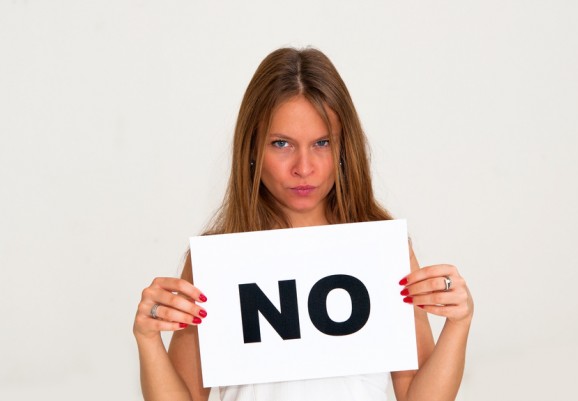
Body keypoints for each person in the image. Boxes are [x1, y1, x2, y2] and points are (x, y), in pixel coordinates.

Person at [133, 47, 474, 401]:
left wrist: (458, 323)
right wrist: (147, 339)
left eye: (322, 143)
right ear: (252, 148)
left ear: (344, 148)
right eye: (281, 144)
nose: (304, 167)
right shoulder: (217, 262)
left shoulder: (379, 250)